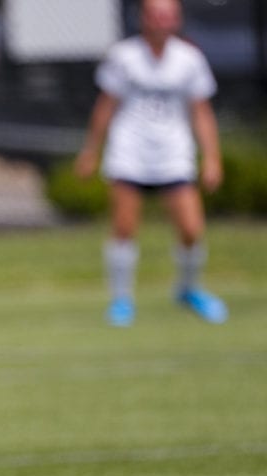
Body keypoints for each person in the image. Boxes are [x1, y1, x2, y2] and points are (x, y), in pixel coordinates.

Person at [74, 0, 227, 326]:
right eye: (156, 15)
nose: (162, 21)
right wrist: (91, 151)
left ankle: (188, 289)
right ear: (143, 18)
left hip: (173, 154)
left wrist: (212, 157)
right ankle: (121, 301)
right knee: (124, 228)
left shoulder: (189, 59)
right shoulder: (124, 56)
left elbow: (201, 111)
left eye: (169, 15)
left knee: (190, 229)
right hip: (129, 153)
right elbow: (105, 106)